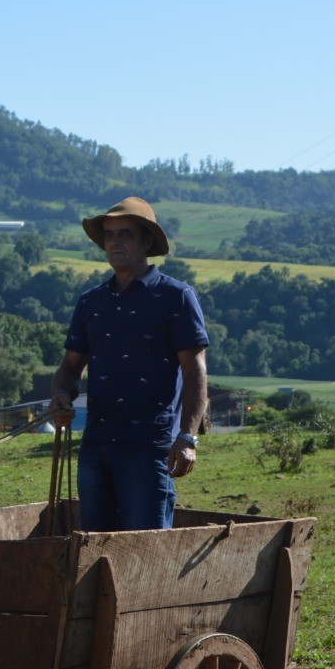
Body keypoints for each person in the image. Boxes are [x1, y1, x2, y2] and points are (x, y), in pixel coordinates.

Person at [50, 197, 208, 531]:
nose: (114, 242)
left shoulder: (175, 297)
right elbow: (69, 367)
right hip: (96, 445)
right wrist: (62, 395)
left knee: (144, 550)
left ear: (147, 241)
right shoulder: (91, 302)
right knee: (93, 543)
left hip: (148, 447)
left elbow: (194, 371)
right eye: (108, 235)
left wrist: (188, 438)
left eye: (125, 234)